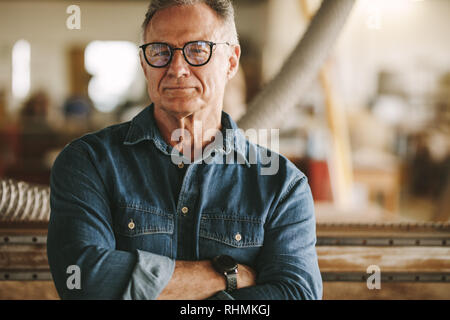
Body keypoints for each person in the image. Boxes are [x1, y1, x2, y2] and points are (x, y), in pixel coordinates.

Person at [47, 0, 322, 300]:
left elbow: (297, 294)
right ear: (144, 65)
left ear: (231, 61)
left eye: (198, 50)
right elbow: (84, 281)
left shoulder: (282, 185)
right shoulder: (88, 163)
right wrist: (227, 278)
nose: (177, 68)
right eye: (160, 52)